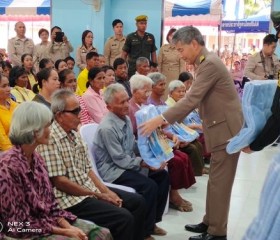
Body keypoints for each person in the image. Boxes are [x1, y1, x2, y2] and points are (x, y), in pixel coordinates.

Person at [139, 26, 243, 240]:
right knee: (215, 181)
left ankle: (217, 233)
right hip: (220, 128)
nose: (180, 54)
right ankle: (209, 222)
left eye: (180, 49)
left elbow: (191, 100)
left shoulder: (209, 64)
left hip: (226, 131)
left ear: (194, 44)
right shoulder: (204, 62)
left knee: (220, 184)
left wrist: (160, 119)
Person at [37, 89, 146, 240]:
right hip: (70, 199)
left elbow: (88, 169)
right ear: (59, 115)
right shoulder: (50, 139)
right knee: (123, 218)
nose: (80, 114)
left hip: (88, 190)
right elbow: (59, 182)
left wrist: (106, 191)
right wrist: (98, 195)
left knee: (137, 202)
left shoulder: (74, 134)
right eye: (75, 111)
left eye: (79, 109)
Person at [0, 101, 112, 240]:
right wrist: (64, 232)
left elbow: (51, 206)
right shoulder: (8, 167)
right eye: (47, 126)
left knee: (101, 234)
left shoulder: (37, 160)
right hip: (23, 230)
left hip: (47, 221)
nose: (50, 130)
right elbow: (16, 224)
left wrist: (69, 227)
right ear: (34, 130)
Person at [93, 83, 169, 240]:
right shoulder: (107, 127)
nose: (127, 105)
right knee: (149, 186)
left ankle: (152, 222)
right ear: (108, 106)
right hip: (113, 170)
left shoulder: (126, 119)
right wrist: (144, 163)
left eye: (127, 100)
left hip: (127, 164)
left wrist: (154, 154)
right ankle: (143, 233)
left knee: (163, 177)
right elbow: (119, 159)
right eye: (121, 102)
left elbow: (133, 145)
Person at [158, 28, 185, 99]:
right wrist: (159, 78)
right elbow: (159, 64)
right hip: (164, 76)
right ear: (168, 37)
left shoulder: (180, 49)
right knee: (164, 96)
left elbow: (182, 66)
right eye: (171, 35)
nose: (173, 37)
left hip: (176, 76)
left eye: (175, 36)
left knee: (175, 96)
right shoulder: (163, 48)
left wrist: (181, 79)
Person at [0, 74, 17, 152]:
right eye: (4, 86)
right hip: (6, 153)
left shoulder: (13, 104)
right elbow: (3, 141)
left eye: (8, 85)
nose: (8, 89)